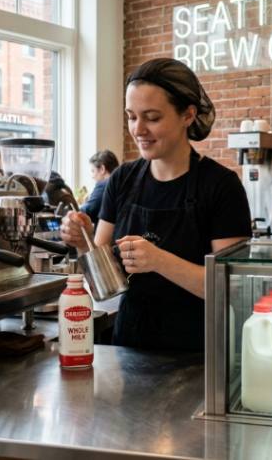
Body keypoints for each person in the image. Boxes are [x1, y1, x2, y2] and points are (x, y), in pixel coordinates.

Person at [60, 58, 251, 352]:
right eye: (131, 116)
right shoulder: (122, 179)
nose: (138, 129)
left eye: (152, 117)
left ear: (188, 115)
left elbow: (231, 287)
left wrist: (159, 260)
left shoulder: (221, 186)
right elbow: (103, 279)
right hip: (130, 344)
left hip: (197, 352)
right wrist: (82, 241)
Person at [80, 150, 120, 224]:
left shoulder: (104, 185)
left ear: (102, 169)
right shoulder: (121, 184)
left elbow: (88, 211)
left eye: (93, 171)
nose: (92, 176)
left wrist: (84, 204)